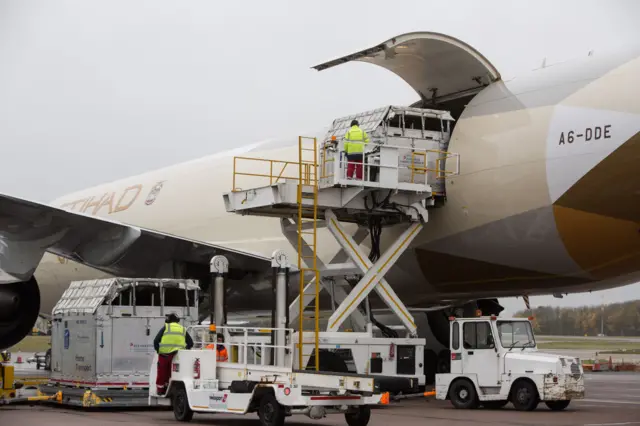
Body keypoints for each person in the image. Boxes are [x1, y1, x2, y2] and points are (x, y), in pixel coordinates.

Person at [153, 313, 194, 395]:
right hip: (178, 355)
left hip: (164, 355)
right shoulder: (182, 329)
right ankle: (170, 388)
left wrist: (158, 350)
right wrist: (184, 350)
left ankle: (160, 390)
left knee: (162, 372)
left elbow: (156, 341)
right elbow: (190, 343)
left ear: (168, 320)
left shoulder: (166, 327)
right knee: (173, 373)